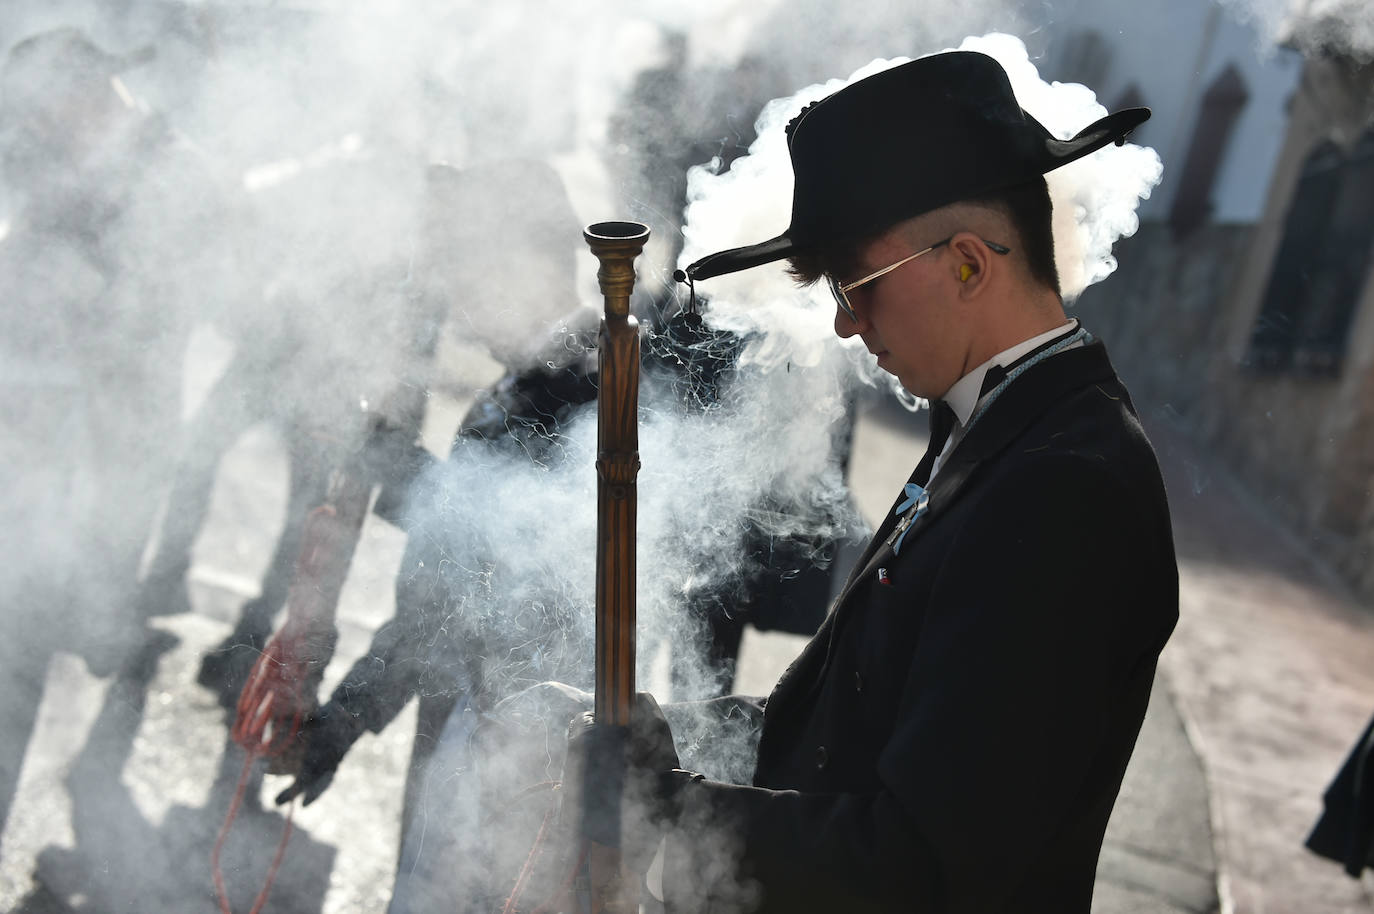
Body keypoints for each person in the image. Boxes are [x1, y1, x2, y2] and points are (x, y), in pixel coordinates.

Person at [549, 49, 1180, 913]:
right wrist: (661, 738)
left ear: (967, 263)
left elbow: (921, 864)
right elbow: (839, 728)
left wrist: (663, 808)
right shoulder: (996, 423)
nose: (846, 323)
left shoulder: (1067, 487)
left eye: (859, 286)